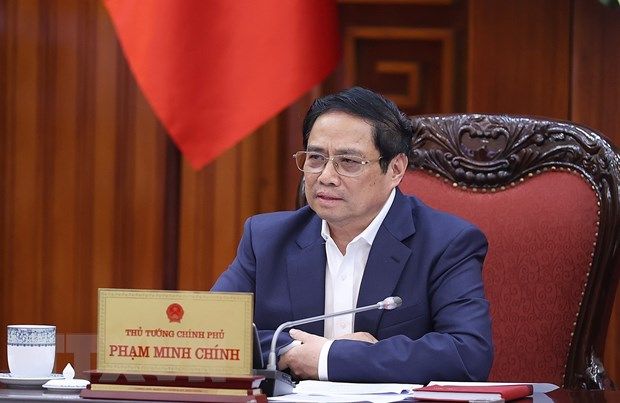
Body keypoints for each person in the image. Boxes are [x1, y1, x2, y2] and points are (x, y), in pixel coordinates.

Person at [212, 87, 493, 383]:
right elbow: (209, 332)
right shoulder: (266, 239)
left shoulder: (446, 243)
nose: (326, 177)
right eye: (315, 158)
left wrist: (331, 358)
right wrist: (292, 351)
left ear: (395, 169)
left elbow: (468, 354)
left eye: (348, 162)